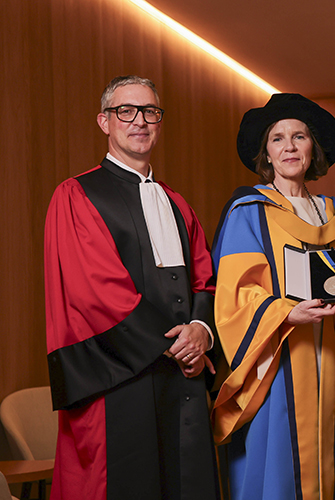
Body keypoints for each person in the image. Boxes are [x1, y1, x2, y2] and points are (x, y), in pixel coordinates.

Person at [44, 76, 219, 499]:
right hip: (118, 375)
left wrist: (201, 331)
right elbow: (95, 290)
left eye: (150, 112)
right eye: (126, 111)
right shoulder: (77, 195)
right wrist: (178, 344)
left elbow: (206, 279)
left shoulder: (177, 203)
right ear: (104, 122)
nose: (139, 121)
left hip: (182, 375)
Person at [211, 93, 335, 499]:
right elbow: (236, 293)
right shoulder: (249, 212)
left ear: (312, 148)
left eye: (299, 137)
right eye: (278, 139)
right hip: (277, 362)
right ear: (266, 153)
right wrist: (286, 313)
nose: (289, 147)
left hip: (331, 355)